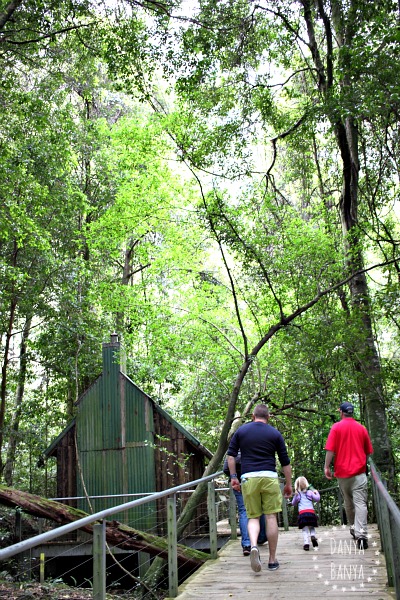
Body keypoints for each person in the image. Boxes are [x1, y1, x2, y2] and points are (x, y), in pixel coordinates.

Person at [227, 404, 292, 573]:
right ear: (268, 417)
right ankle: (272, 560)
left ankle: (254, 545)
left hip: (249, 478)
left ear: (253, 416)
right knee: (271, 517)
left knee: (253, 517)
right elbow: (285, 462)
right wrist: (288, 484)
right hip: (269, 477)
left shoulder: (241, 431)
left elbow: (231, 455)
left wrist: (234, 477)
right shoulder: (275, 433)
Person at [324, 401, 373, 550]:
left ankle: (354, 528)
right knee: (360, 504)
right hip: (359, 473)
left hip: (343, 474)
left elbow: (330, 450)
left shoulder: (336, 427)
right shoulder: (361, 428)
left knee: (349, 503)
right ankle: (362, 536)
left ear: (341, 412)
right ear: (352, 412)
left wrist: (326, 466)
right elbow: (368, 451)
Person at [223, 453, 267, 555]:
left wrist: (235, 477)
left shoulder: (233, 451)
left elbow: (225, 469)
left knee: (243, 511)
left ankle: (247, 544)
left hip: (238, 483)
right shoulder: (253, 446)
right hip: (254, 481)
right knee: (259, 509)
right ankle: (260, 537)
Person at [291, 476, 320, 550]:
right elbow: (317, 499)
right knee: (312, 527)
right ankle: (313, 536)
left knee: (305, 529)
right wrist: (316, 492)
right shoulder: (310, 492)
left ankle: (306, 544)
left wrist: (295, 495)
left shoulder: (298, 495)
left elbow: (293, 503)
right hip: (311, 513)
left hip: (303, 514)